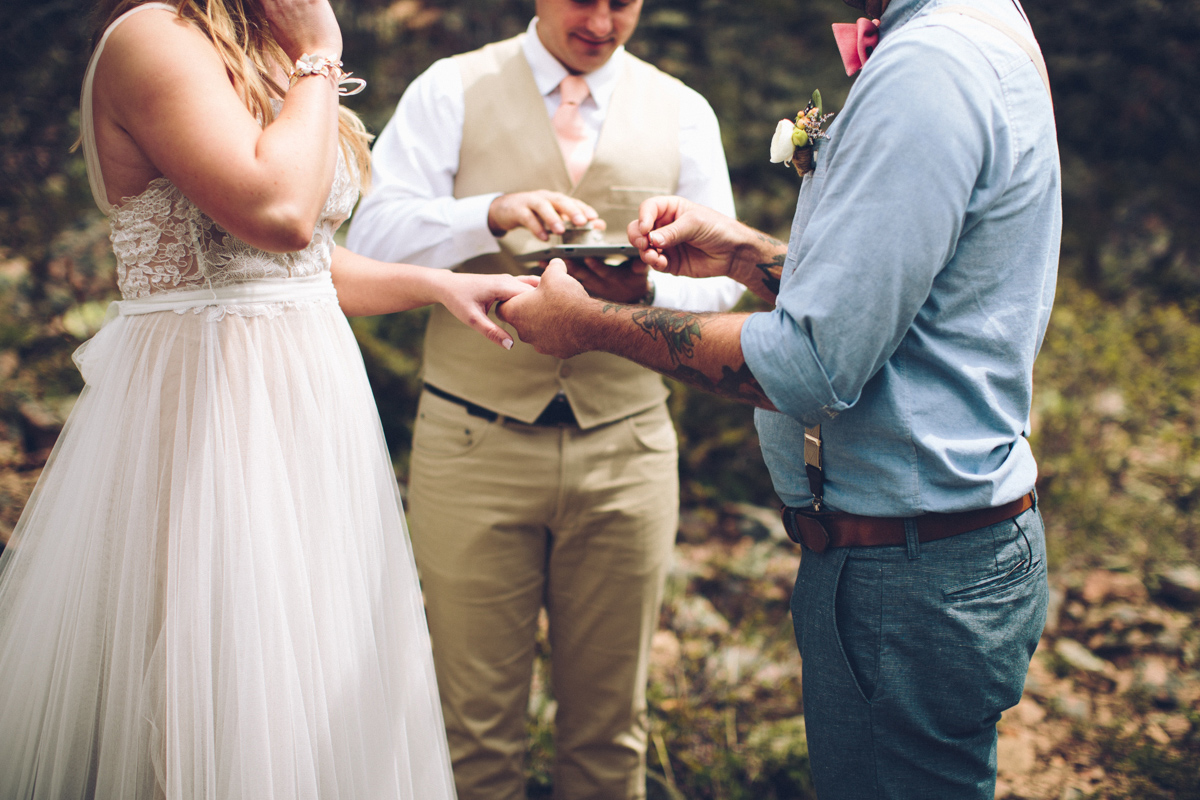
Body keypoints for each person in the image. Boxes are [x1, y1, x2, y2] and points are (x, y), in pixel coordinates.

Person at [498, 0, 1060, 797]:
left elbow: (808, 366)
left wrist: (592, 324)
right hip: (931, 547)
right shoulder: (981, 25)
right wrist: (746, 256)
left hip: (907, 575)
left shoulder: (927, 68)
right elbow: (907, 294)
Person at [0, 1, 536, 797]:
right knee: (204, 685)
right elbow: (277, 212)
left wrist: (438, 284)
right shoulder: (154, 36)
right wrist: (320, 53)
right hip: (210, 408)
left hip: (308, 410)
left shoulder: (258, 43)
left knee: (311, 681)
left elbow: (300, 264)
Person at [346, 1, 743, 796]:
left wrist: (648, 287)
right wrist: (483, 213)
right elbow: (369, 240)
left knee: (610, 737)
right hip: (471, 446)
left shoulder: (683, 110)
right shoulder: (449, 89)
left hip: (627, 452)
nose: (601, 20)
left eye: (622, 3)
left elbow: (728, 281)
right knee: (473, 734)